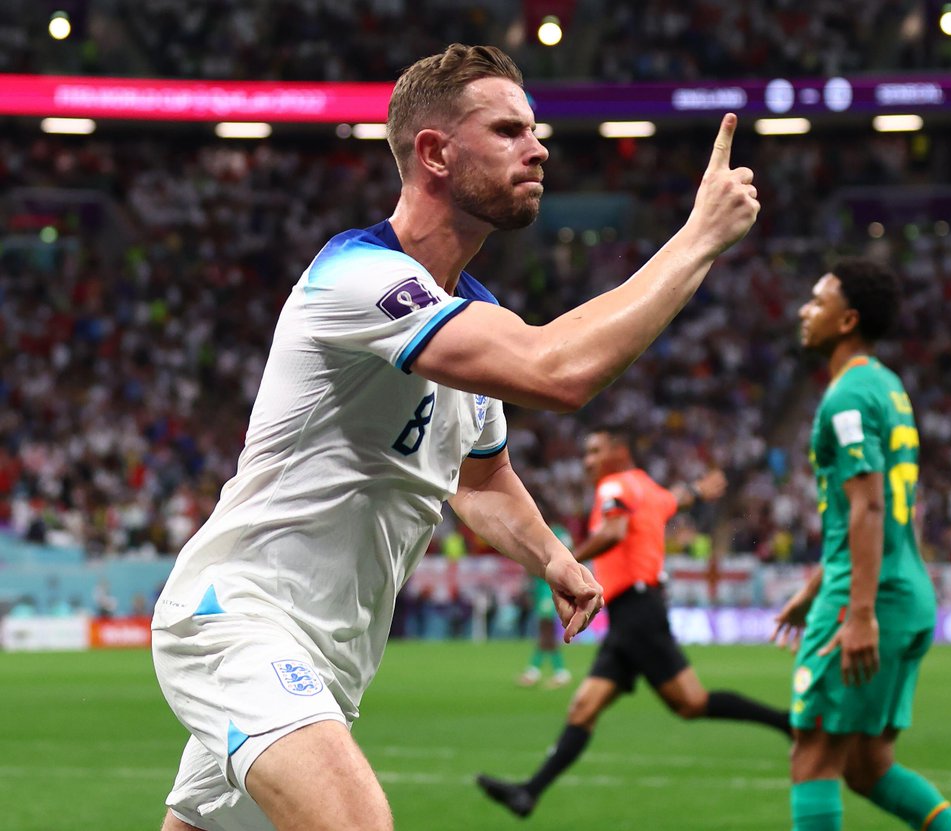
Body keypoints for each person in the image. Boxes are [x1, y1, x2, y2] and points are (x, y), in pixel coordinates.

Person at [150, 43, 759, 831]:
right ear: (434, 152)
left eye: (534, 129)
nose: (538, 147)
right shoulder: (357, 277)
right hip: (237, 617)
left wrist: (552, 556)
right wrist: (696, 239)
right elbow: (558, 372)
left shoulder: (469, 315)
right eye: (508, 130)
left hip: (329, 655)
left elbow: (481, 480)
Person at [477, 425, 792, 818]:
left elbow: (615, 530)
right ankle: (529, 793)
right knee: (584, 708)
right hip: (635, 612)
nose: (587, 461)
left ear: (618, 452)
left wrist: (564, 560)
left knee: (691, 703)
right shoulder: (646, 487)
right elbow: (670, 501)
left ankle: (789, 723)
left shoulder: (613, 488)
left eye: (594, 451)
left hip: (638, 612)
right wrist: (696, 490)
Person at [773, 259, 951, 830]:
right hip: (905, 592)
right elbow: (862, 510)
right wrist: (814, 587)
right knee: (867, 767)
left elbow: (868, 505)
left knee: (812, 756)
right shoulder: (887, 386)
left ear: (848, 321)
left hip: (870, 599)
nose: (804, 311)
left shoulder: (847, 400)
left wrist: (856, 612)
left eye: (818, 301)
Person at [516, 523, 574, 688]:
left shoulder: (553, 533)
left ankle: (555, 672)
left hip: (547, 589)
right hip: (541, 588)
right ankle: (540, 671)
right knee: (545, 632)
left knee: (546, 631)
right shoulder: (552, 532)